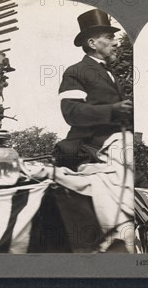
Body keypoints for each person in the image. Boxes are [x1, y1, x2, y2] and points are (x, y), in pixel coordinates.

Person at [55, 9, 132, 170]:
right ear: (92, 43)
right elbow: (72, 112)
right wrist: (111, 110)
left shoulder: (111, 74)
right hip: (89, 151)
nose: (116, 43)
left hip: (120, 150)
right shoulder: (76, 71)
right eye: (109, 37)